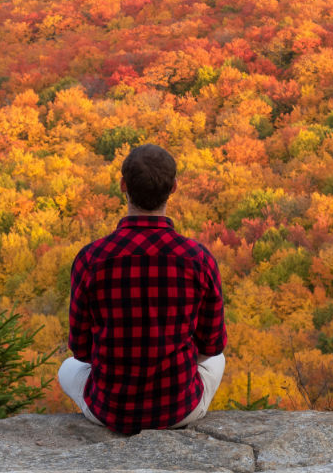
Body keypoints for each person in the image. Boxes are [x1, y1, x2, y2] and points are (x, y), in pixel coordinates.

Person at [58, 144, 227, 435]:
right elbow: (211, 346)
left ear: (123, 185)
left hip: (109, 411)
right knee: (218, 360)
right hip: (179, 410)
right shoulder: (198, 259)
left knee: (67, 369)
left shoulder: (91, 258)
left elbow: (82, 351)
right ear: (173, 188)